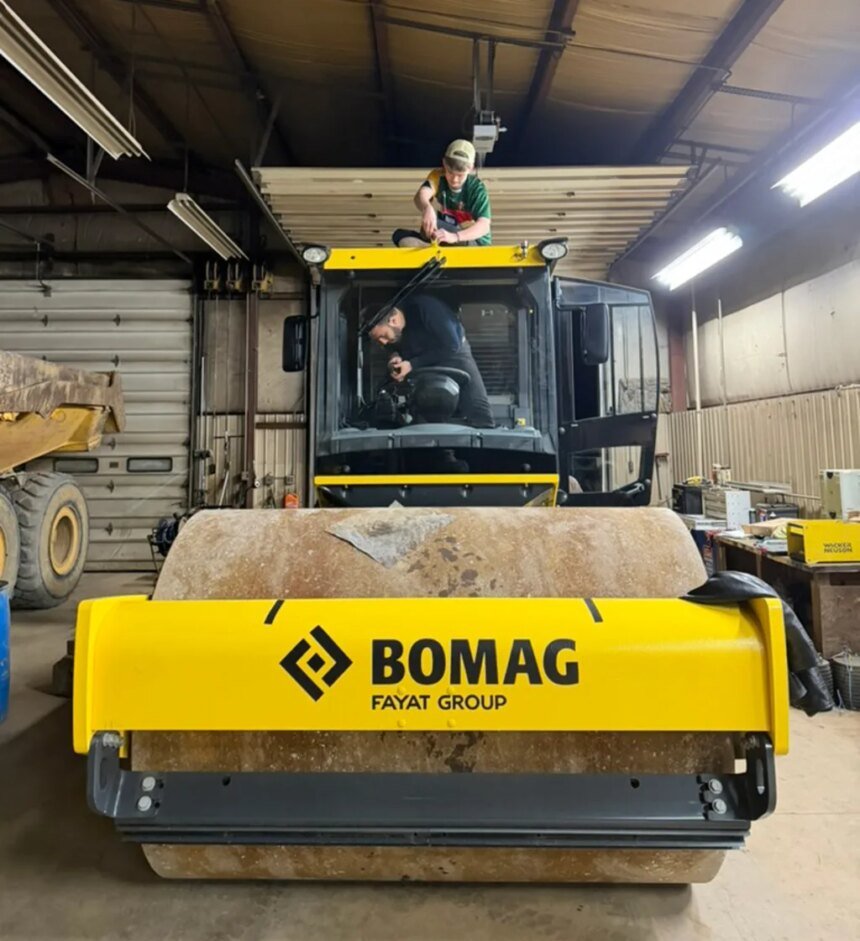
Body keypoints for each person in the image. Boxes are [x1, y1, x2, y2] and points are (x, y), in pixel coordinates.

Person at [365, 292, 494, 428]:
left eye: (383, 336)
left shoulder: (426, 308)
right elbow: (393, 346)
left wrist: (412, 365)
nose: (384, 342)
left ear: (393, 321)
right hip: (416, 358)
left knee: (479, 409)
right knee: (417, 412)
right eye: (379, 340)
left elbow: (451, 345)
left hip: (453, 353)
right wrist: (395, 357)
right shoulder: (393, 323)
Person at [392, 140, 492, 248]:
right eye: (450, 172)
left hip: (474, 242)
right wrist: (427, 208)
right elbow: (421, 195)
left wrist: (455, 237)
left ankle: (431, 248)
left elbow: (484, 225)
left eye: (460, 175)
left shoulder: (477, 189)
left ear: (470, 169)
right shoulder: (438, 176)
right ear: (444, 164)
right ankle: (432, 248)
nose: (454, 179)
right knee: (400, 235)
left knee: (437, 225)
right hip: (451, 233)